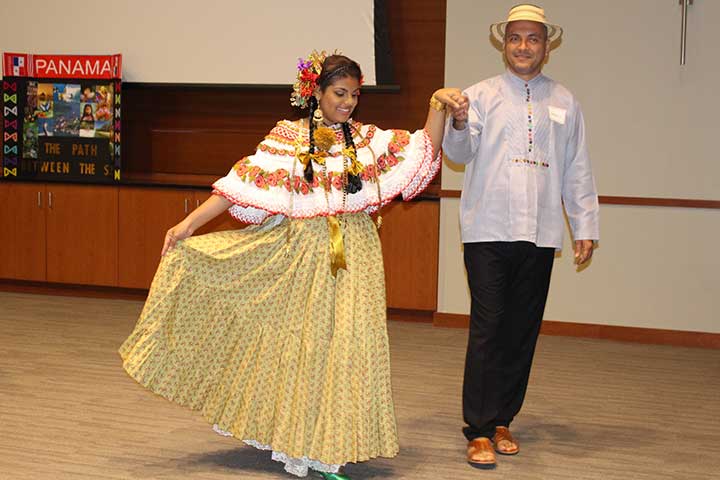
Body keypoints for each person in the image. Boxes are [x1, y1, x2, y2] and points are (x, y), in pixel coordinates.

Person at [119, 51, 464, 479]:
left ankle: (332, 442)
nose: (349, 102)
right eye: (340, 93)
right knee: (308, 349)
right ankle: (304, 443)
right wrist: (189, 224)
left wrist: (436, 105)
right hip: (303, 255)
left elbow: (421, 150)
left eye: (355, 95)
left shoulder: (366, 139)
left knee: (350, 349)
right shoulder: (288, 138)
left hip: (356, 256)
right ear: (316, 92)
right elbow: (240, 185)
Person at [442, 4, 600, 470]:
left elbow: (577, 167)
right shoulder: (479, 96)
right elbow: (459, 152)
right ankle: (478, 429)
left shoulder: (565, 101)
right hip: (487, 229)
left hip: (541, 231)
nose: (523, 46)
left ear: (546, 47)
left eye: (532, 38)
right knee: (488, 328)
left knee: (521, 331)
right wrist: (456, 120)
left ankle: (504, 419)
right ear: (503, 43)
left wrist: (584, 224)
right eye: (515, 38)